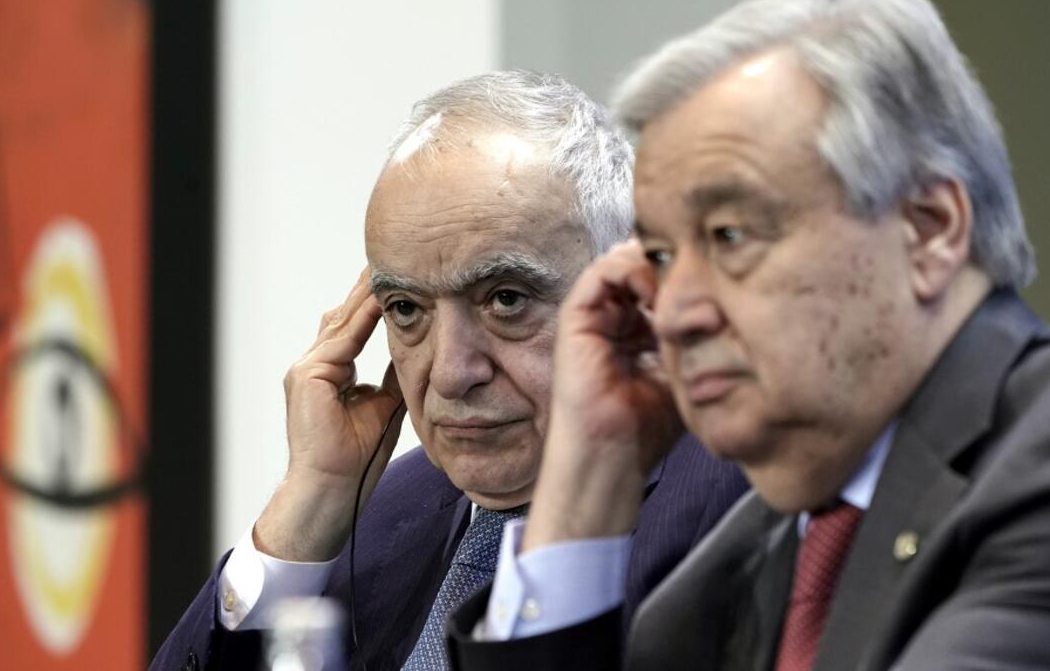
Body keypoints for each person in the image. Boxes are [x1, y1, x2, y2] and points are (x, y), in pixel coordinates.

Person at [449, 0, 1050, 669]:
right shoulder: (717, 586)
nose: (671, 312)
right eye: (660, 256)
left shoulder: (1042, 458)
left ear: (929, 229)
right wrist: (585, 487)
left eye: (730, 235)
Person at [150, 70, 747, 671]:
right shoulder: (381, 512)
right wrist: (308, 507)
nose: (450, 374)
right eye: (406, 309)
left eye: (506, 299)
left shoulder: (739, 500)